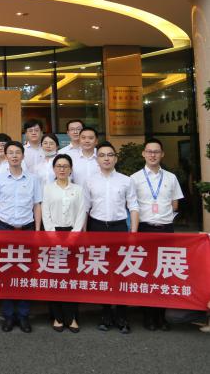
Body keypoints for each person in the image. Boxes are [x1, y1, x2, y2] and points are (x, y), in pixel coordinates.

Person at [84, 141, 139, 334]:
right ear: (97, 159)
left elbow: (133, 207)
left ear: (116, 158)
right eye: (102, 155)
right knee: (102, 272)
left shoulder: (126, 180)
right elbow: (85, 208)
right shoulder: (89, 181)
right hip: (97, 227)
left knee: (121, 271)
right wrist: (84, 234)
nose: (106, 158)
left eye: (110, 155)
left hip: (119, 228)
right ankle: (105, 314)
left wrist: (133, 233)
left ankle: (122, 316)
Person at [130, 138, 184, 331]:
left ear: (162, 154)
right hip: (145, 228)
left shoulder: (171, 177)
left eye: (156, 151)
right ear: (143, 154)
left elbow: (175, 204)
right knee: (146, 273)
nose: (152, 155)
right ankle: (148, 317)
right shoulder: (134, 178)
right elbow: (132, 206)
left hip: (166, 229)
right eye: (149, 151)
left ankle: (161, 316)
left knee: (164, 273)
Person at [0, 141, 42, 333]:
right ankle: (8, 316)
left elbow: (37, 205)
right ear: (5, 156)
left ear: (23, 156)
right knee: (6, 272)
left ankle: (23, 315)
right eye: (10, 153)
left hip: (27, 229)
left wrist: (37, 231)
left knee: (25, 272)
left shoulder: (33, 179)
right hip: (5, 228)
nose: (14, 156)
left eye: (17, 152)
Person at [41, 154, 86, 333]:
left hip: (73, 235)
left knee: (71, 278)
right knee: (54, 278)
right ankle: (57, 317)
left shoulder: (78, 189)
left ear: (70, 169)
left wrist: (73, 237)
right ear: (54, 169)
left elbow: (81, 213)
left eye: (65, 166)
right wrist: (53, 236)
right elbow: (45, 213)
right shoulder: (47, 189)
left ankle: (71, 317)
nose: (62, 169)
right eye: (58, 166)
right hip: (53, 235)